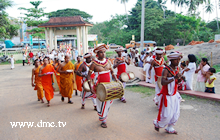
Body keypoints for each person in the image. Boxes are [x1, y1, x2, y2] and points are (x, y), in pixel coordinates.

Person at [87, 44, 119, 128]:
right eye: (101, 52)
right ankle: (102, 117)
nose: (103, 54)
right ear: (97, 54)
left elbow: (112, 72)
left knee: (107, 102)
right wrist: (90, 87)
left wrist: (116, 79)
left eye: (104, 52)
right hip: (99, 87)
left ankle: (103, 119)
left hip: (109, 87)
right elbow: (88, 76)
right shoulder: (94, 63)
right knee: (101, 103)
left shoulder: (108, 62)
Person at [153, 52, 182, 134]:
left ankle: (170, 127)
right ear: (172, 60)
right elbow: (162, 82)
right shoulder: (165, 70)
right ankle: (157, 123)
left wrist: (179, 79)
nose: (178, 61)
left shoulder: (177, 69)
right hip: (167, 95)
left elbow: (177, 81)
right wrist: (174, 78)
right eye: (176, 60)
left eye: (178, 60)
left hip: (175, 94)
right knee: (167, 114)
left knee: (175, 113)